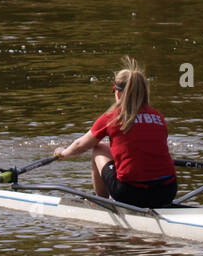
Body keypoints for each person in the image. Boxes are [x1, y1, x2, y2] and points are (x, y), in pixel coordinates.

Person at [54, 59, 178, 207]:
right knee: (110, 147)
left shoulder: (112, 117)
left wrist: (63, 153)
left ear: (118, 94)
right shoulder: (158, 117)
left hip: (130, 193)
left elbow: (81, 145)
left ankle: (103, 202)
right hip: (167, 191)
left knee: (98, 147)